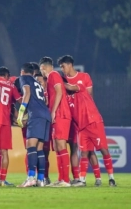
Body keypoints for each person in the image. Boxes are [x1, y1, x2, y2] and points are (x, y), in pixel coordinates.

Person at [62, 79, 117, 187]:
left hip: (94, 122)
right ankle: (82, 180)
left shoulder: (79, 87)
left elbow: (71, 87)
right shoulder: (66, 99)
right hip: (82, 127)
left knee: (103, 150)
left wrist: (57, 82)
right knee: (84, 153)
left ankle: (111, 179)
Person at [58, 55, 102, 186]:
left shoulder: (84, 77)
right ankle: (77, 177)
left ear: (70, 64)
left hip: (85, 119)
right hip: (71, 119)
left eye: (63, 66)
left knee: (88, 150)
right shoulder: (63, 79)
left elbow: (90, 98)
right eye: (60, 67)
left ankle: (98, 178)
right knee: (73, 148)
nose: (62, 69)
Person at [16, 63, 52, 187]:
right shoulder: (38, 83)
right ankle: (40, 179)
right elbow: (45, 100)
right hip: (46, 115)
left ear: (22, 72)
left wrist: (21, 113)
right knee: (39, 148)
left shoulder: (24, 78)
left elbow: (26, 93)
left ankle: (31, 177)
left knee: (30, 145)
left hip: (36, 115)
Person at [39, 57, 72, 187]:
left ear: (43, 68)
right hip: (57, 115)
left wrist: (53, 111)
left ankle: (66, 180)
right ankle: (61, 178)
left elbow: (59, 93)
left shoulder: (53, 74)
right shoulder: (50, 80)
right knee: (58, 147)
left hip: (61, 114)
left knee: (61, 145)